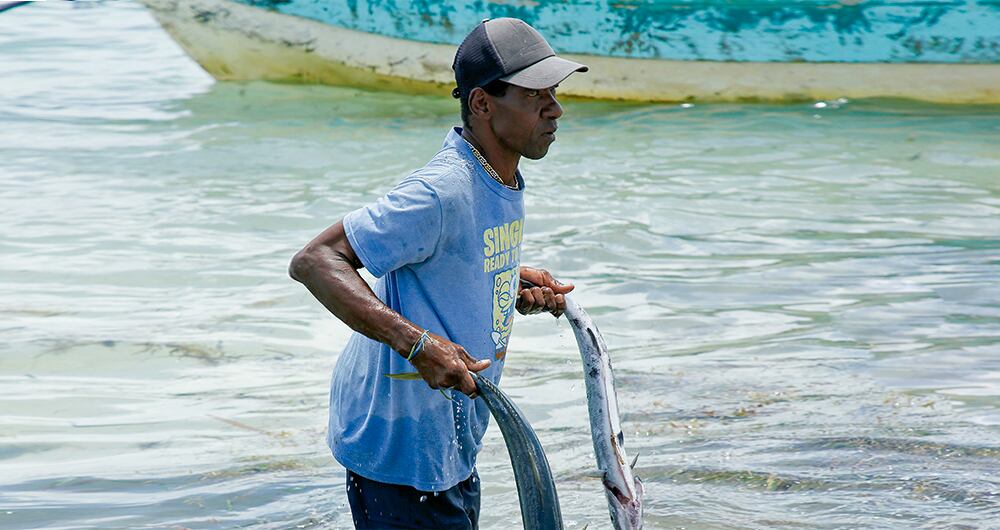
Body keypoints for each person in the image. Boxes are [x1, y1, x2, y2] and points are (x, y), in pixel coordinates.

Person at [289, 17, 588, 529]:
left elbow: (444, 263)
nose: (555, 108)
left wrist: (504, 281)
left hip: (446, 440)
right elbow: (316, 261)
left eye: (554, 92)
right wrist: (417, 345)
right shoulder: (441, 190)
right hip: (399, 446)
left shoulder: (501, 176)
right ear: (482, 104)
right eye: (536, 94)